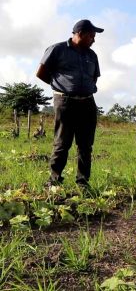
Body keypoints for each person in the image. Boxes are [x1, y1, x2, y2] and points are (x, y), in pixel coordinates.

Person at [36, 19, 103, 188]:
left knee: (85, 145)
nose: (93, 40)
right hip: (65, 102)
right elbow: (41, 72)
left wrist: (85, 89)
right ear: (79, 34)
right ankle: (54, 181)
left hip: (87, 103)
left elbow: (94, 77)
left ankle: (82, 182)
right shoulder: (57, 49)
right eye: (91, 36)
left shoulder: (92, 55)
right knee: (62, 143)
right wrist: (60, 86)